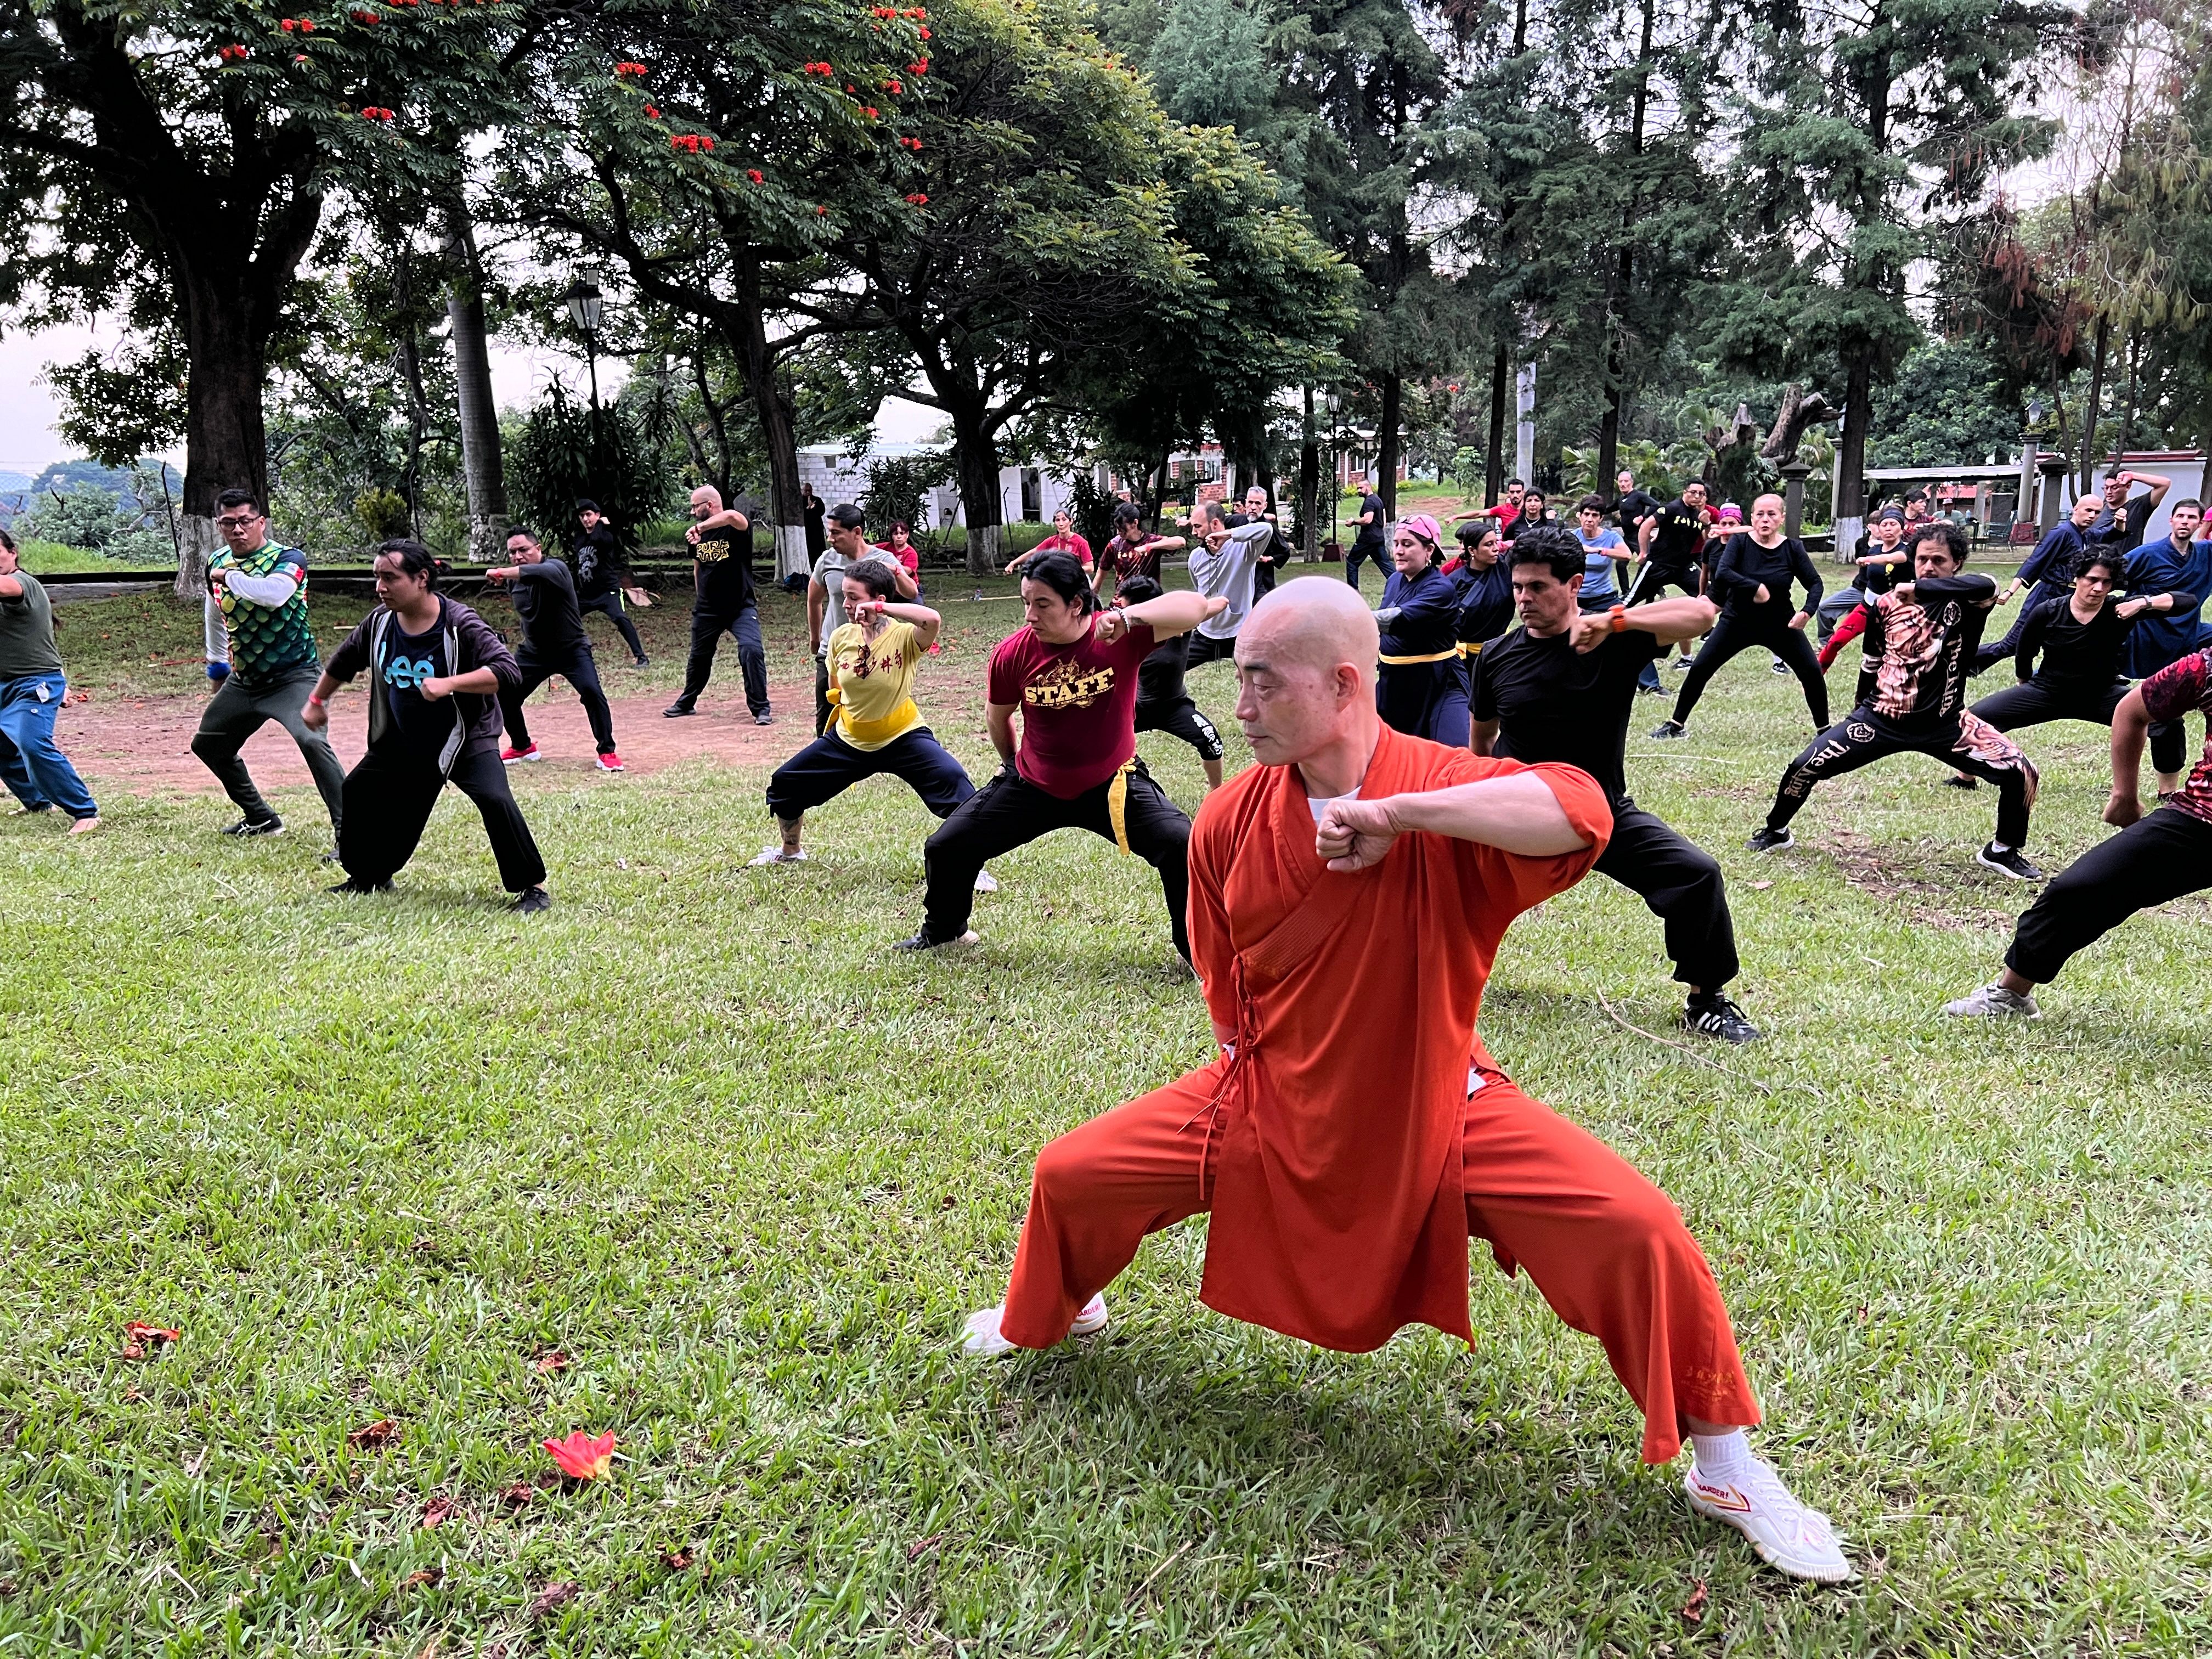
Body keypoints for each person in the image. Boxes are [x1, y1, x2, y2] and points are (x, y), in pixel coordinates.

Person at [955, 578, 1848, 1585]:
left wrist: (1404, 815)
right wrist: (1267, 1088)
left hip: (1438, 1100)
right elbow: (1224, 982)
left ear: (1343, 683)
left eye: (1259, 682)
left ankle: (1726, 1465)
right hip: (1268, 1094)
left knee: (1636, 1227)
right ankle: (1061, 1304)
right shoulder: (1226, 820)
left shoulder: (1444, 788)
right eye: (1236, 678)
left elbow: (1578, 807)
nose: (1236, 706)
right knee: (1073, 1169)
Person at [1472, 526, 1756, 1040]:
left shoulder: (1612, 642)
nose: (1523, 598)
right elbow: (1481, 742)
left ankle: (1706, 1000)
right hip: (1516, 812)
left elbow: (1702, 613)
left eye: (1538, 587)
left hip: (1600, 812)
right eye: (1518, 587)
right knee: (1432, 877)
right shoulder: (1496, 656)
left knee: (1697, 874)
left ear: (1575, 584)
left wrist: (1613, 619)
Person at [898, 551, 1224, 957]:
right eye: (1025, 603)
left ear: (1076, 603)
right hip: (1035, 783)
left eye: (1042, 604)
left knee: (1180, 842)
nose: (1030, 615)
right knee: (947, 846)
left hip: (1114, 783)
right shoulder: (1013, 653)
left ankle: (1195, 949)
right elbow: (998, 717)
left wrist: (1128, 618)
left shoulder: (1118, 637)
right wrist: (1012, 764)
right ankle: (946, 930)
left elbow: (1202, 606)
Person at [1749, 521, 2041, 879]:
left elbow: (1990, 584)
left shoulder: (1970, 600)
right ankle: (1776, 831)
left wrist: (1921, 588)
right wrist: (1859, 708)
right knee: (1803, 765)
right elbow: (1871, 660)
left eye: (1939, 560)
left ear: (1957, 564)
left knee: (2021, 773)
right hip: (1880, 719)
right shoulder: (1887, 605)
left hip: (1946, 723)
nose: (1929, 566)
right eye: (1922, 560)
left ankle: (2002, 851)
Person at [1944, 644, 2212, 1019]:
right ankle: (2010, 996)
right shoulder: (2207, 667)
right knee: (2079, 889)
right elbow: (2132, 710)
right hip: (2202, 817)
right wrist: (2124, 795)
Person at [305, 540, 549, 912]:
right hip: (405, 740)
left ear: (421, 579)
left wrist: (450, 683)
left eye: (390, 578)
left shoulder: (459, 624)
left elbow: (507, 671)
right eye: (377, 578)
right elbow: (345, 660)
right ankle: (368, 876)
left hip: (465, 738)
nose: (380, 587)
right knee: (357, 790)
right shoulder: (380, 623)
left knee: (494, 799)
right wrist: (318, 701)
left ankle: (532, 888)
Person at [753, 560, 977, 865]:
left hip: (903, 735)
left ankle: (971, 866)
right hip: (850, 739)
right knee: (786, 783)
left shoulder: (905, 637)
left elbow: (932, 619)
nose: (845, 604)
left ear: (878, 601)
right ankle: (791, 851)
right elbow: (836, 690)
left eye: (854, 597)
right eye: (844, 596)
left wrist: (882, 612)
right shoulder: (841, 637)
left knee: (957, 785)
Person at [188, 487, 347, 844]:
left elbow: (274, 596)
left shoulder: (288, 559)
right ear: (219, 525)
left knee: (312, 741)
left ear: (261, 522)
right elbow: (214, 612)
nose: (238, 529)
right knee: (209, 745)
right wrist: (216, 665)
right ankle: (260, 817)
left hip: (294, 676)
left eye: (245, 521)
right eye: (229, 523)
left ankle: (351, 834)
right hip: (246, 681)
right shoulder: (216, 561)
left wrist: (229, 577)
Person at [1652, 494, 1827, 740]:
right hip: (1737, 622)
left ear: (1782, 518)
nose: (1765, 519)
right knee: (1701, 668)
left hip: (1780, 624)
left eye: (1772, 514)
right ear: (1752, 518)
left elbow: (1815, 584)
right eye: (1760, 514)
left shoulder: (1792, 548)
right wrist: (1756, 587)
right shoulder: (1740, 543)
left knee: (1811, 671)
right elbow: (1723, 573)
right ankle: (1676, 724)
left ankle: (1824, 731)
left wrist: (1807, 612)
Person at [1967, 549, 2177, 741]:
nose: (2099, 588)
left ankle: (2168, 785)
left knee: (2169, 721)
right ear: (2077, 578)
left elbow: (2186, 601)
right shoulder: (2047, 611)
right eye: (2092, 580)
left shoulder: (2120, 609)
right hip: (2048, 691)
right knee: (1976, 719)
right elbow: (2025, 651)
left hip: (2103, 694)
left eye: (2107, 582)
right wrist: (2024, 683)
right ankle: (1966, 778)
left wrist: (2143, 602)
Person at [487, 526, 622, 772]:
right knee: (504, 693)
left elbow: (538, 572)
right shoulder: (514, 583)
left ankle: (607, 752)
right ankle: (522, 746)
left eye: (524, 550)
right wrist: (508, 575)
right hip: (534, 653)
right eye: (512, 552)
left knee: (592, 692)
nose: (518, 556)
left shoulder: (556, 569)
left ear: (538, 549)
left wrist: (501, 572)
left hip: (572, 650)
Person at [0, 528, 100, 833]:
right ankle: (37, 800)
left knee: (33, 743)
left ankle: (86, 812)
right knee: (3, 748)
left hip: (33, 684)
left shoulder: (22, 583)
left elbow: (7, 588)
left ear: (12, 552)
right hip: (4, 684)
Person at [2120, 497, 2208, 795]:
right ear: (2171, 520)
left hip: (2190, 635)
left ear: (2200, 524)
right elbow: (2108, 577)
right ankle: (2167, 789)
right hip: (2149, 638)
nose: (2185, 522)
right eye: (2180, 516)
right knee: (2165, 713)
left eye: (2191, 518)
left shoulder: (2206, 555)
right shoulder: (2146, 555)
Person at [809, 504, 919, 733]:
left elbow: (911, 593)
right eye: (829, 532)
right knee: (828, 716)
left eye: (836, 533)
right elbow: (814, 599)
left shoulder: (882, 558)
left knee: (872, 711)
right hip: (833, 649)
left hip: (874, 649)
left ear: (857, 533)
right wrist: (815, 638)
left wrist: (896, 571)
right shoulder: (826, 561)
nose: (830, 538)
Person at [664, 485, 770, 725]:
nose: (693, 513)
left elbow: (732, 516)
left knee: (751, 650)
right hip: (708, 610)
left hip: (741, 607)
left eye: (695, 507)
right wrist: (701, 598)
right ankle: (687, 702)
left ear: (709, 505)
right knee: (699, 658)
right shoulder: (697, 536)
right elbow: (698, 567)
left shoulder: (735, 528)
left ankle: (761, 709)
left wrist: (699, 528)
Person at [1114, 574, 1227, 790]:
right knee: (1100, 741)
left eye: (1126, 606)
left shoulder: (1177, 625)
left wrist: (1176, 619)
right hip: (1137, 707)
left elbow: (1221, 603)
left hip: (1174, 706)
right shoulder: (1126, 633)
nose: (1123, 611)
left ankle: (1217, 794)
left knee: (1211, 742)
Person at [1971, 493, 2104, 671]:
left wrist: (2120, 520)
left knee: (2064, 644)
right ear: (2076, 509)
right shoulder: (2061, 534)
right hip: (2045, 596)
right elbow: (2035, 561)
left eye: (2097, 512)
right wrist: (2010, 592)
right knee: (2012, 645)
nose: (2092, 516)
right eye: (2088, 510)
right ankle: (1963, 663)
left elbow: (2110, 534)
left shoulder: (2085, 535)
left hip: (2066, 599)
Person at [1372, 514, 1470, 746]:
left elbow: (1391, 620)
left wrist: (1343, 616)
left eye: (1407, 545)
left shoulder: (1440, 589)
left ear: (1429, 550)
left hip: (1436, 682)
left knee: (1448, 753)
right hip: (1394, 684)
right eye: (1396, 544)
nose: (1398, 551)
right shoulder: (1395, 580)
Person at [1183, 500, 1274, 668]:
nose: (1193, 532)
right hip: (1206, 633)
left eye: (1197, 526)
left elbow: (1266, 530)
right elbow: (1200, 590)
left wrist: (1227, 535)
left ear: (1215, 523)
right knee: (1172, 667)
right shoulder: (1195, 557)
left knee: (1259, 677)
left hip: (1239, 633)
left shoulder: (1244, 549)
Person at [572, 500, 649, 668]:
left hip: (608, 592)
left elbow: (597, 539)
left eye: (589, 515)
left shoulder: (607, 536)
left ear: (597, 515)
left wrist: (600, 524)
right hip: (586, 594)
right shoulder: (579, 537)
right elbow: (583, 549)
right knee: (566, 619)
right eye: (582, 516)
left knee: (621, 618)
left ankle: (641, 656)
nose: (585, 519)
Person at [1816, 505, 1909, 646]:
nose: (1887, 528)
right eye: (1883, 524)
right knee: (1824, 608)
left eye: (1893, 524)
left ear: (1901, 528)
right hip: (1860, 590)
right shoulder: (1864, 545)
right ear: (1872, 526)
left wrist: (1869, 559)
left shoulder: (1905, 549)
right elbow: (1862, 566)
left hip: (1886, 599)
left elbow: (1896, 558)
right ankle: (1824, 643)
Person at [1629, 479, 1710, 629]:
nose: (1697, 496)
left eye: (1701, 494)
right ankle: (1601, 621)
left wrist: (1707, 524)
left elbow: (1708, 540)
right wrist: (1643, 552)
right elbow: (1646, 526)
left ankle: (1706, 630)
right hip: (1658, 566)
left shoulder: (1698, 515)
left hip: (1683, 567)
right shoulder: (1672, 508)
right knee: (1628, 602)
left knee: (1708, 595)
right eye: (1694, 492)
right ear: (1685, 492)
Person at [1092, 502, 1185, 595]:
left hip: (1148, 601)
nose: (1118, 532)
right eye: (1117, 528)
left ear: (1135, 523)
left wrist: (1148, 547)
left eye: (1122, 528)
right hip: (1123, 601)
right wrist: (1091, 599)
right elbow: (1101, 574)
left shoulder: (1152, 541)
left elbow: (1181, 542)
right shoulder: (1115, 545)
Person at [2085, 467, 2173, 557]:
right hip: (2098, 565)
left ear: (2128, 487)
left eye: (2114, 488)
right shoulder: (2098, 510)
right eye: (2106, 488)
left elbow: (2165, 484)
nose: (2109, 492)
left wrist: (2132, 476)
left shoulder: (2139, 506)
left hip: (2128, 565)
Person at [1231, 486, 1282, 597]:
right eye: (1250, 502)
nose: (1253, 507)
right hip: (1240, 580)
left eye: (1258, 503)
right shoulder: (1236, 521)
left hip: (1261, 580)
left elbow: (1284, 551)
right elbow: (1215, 521)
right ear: (1246, 503)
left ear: (1265, 505)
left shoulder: (1269, 528)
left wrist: (1269, 559)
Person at [1011, 507, 1091, 574]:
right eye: (1058, 520)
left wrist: (1072, 570)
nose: (1061, 523)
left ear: (1071, 521)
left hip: (1077, 579)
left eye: (1064, 519)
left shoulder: (1081, 542)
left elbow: (1090, 568)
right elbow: (1034, 552)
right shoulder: (1051, 541)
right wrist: (1013, 563)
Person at [1344, 484, 1390, 591]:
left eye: (1361, 488)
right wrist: (1378, 531)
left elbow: (1368, 520)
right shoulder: (1378, 500)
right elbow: (1384, 520)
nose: (1359, 490)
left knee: (1352, 562)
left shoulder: (1369, 501)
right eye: (1358, 489)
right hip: (1378, 538)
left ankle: (1353, 591)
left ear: (1368, 487)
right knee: (1385, 563)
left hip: (1367, 539)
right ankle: (1401, 584)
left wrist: (1353, 522)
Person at [800, 481, 827, 562]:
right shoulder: (799, 501)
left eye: (810, 491)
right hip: (806, 529)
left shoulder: (817, 500)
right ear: (802, 491)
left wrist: (813, 508)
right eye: (806, 491)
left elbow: (822, 511)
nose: (808, 493)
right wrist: (808, 508)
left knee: (819, 549)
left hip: (817, 529)